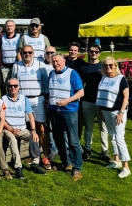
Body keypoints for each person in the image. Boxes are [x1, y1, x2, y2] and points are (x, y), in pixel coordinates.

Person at [11, 45, 51, 170]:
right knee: (26, 128)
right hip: (23, 100)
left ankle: (45, 156)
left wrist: (46, 99)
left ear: (33, 53)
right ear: (21, 53)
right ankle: (32, 155)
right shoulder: (16, 65)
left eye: (29, 52)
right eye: (25, 52)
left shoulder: (40, 65)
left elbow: (45, 84)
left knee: (41, 128)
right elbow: (14, 82)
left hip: (38, 99)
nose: (27, 54)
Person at [48, 53, 84, 181]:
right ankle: (66, 162)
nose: (55, 63)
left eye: (57, 61)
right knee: (58, 139)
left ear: (64, 61)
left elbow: (81, 92)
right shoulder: (51, 74)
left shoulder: (72, 73)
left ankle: (77, 168)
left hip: (69, 111)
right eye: (53, 61)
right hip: (54, 111)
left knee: (73, 140)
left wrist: (67, 101)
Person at [2, 78, 46, 179]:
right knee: (13, 140)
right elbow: (2, 118)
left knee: (34, 137)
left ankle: (35, 163)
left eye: (15, 86)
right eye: (10, 86)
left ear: (19, 87)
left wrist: (34, 131)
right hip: (8, 129)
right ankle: (18, 167)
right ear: (7, 87)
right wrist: (10, 129)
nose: (13, 88)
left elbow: (30, 115)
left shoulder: (23, 99)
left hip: (21, 129)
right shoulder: (3, 99)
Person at [96, 57, 131, 178]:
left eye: (111, 65)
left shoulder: (121, 79)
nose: (108, 67)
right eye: (105, 65)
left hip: (117, 112)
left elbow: (126, 97)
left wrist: (121, 112)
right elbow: (101, 96)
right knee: (112, 136)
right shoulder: (103, 78)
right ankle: (117, 160)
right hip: (105, 111)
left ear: (115, 66)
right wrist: (100, 111)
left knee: (119, 138)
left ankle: (126, 166)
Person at [80, 45, 109, 162]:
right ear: (88, 52)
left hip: (102, 102)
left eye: (96, 51)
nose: (94, 53)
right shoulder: (84, 67)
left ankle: (105, 151)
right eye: (91, 51)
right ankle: (87, 150)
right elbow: (80, 85)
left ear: (100, 53)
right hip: (87, 100)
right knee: (88, 127)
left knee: (104, 127)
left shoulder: (104, 66)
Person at [0, 19, 20, 85]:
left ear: (14, 27)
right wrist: (1, 65)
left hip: (17, 66)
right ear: (5, 27)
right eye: (7, 26)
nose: (9, 27)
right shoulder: (1, 39)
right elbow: (0, 53)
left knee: (17, 85)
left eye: (11, 26)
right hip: (5, 67)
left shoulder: (20, 37)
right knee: (7, 86)